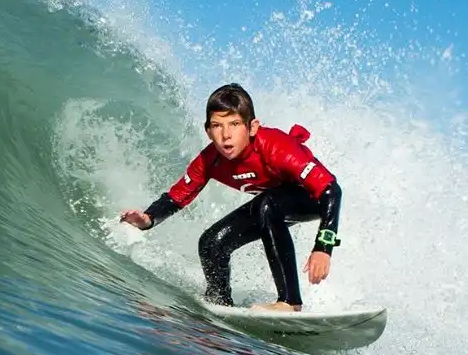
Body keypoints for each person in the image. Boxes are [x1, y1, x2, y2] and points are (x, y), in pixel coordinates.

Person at [119, 83, 343, 313]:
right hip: (272, 206)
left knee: (268, 204)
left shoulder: (276, 147)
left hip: (315, 198)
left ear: (252, 127)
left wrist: (323, 247)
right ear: (208, 131)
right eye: (217, 126)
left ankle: (289, 302)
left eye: (234, 124)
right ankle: (220, 305)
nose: (226, 135)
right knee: (211, 244)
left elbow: (331, 190)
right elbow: (177, 197)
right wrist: (148, 219)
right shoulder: (210, 160)